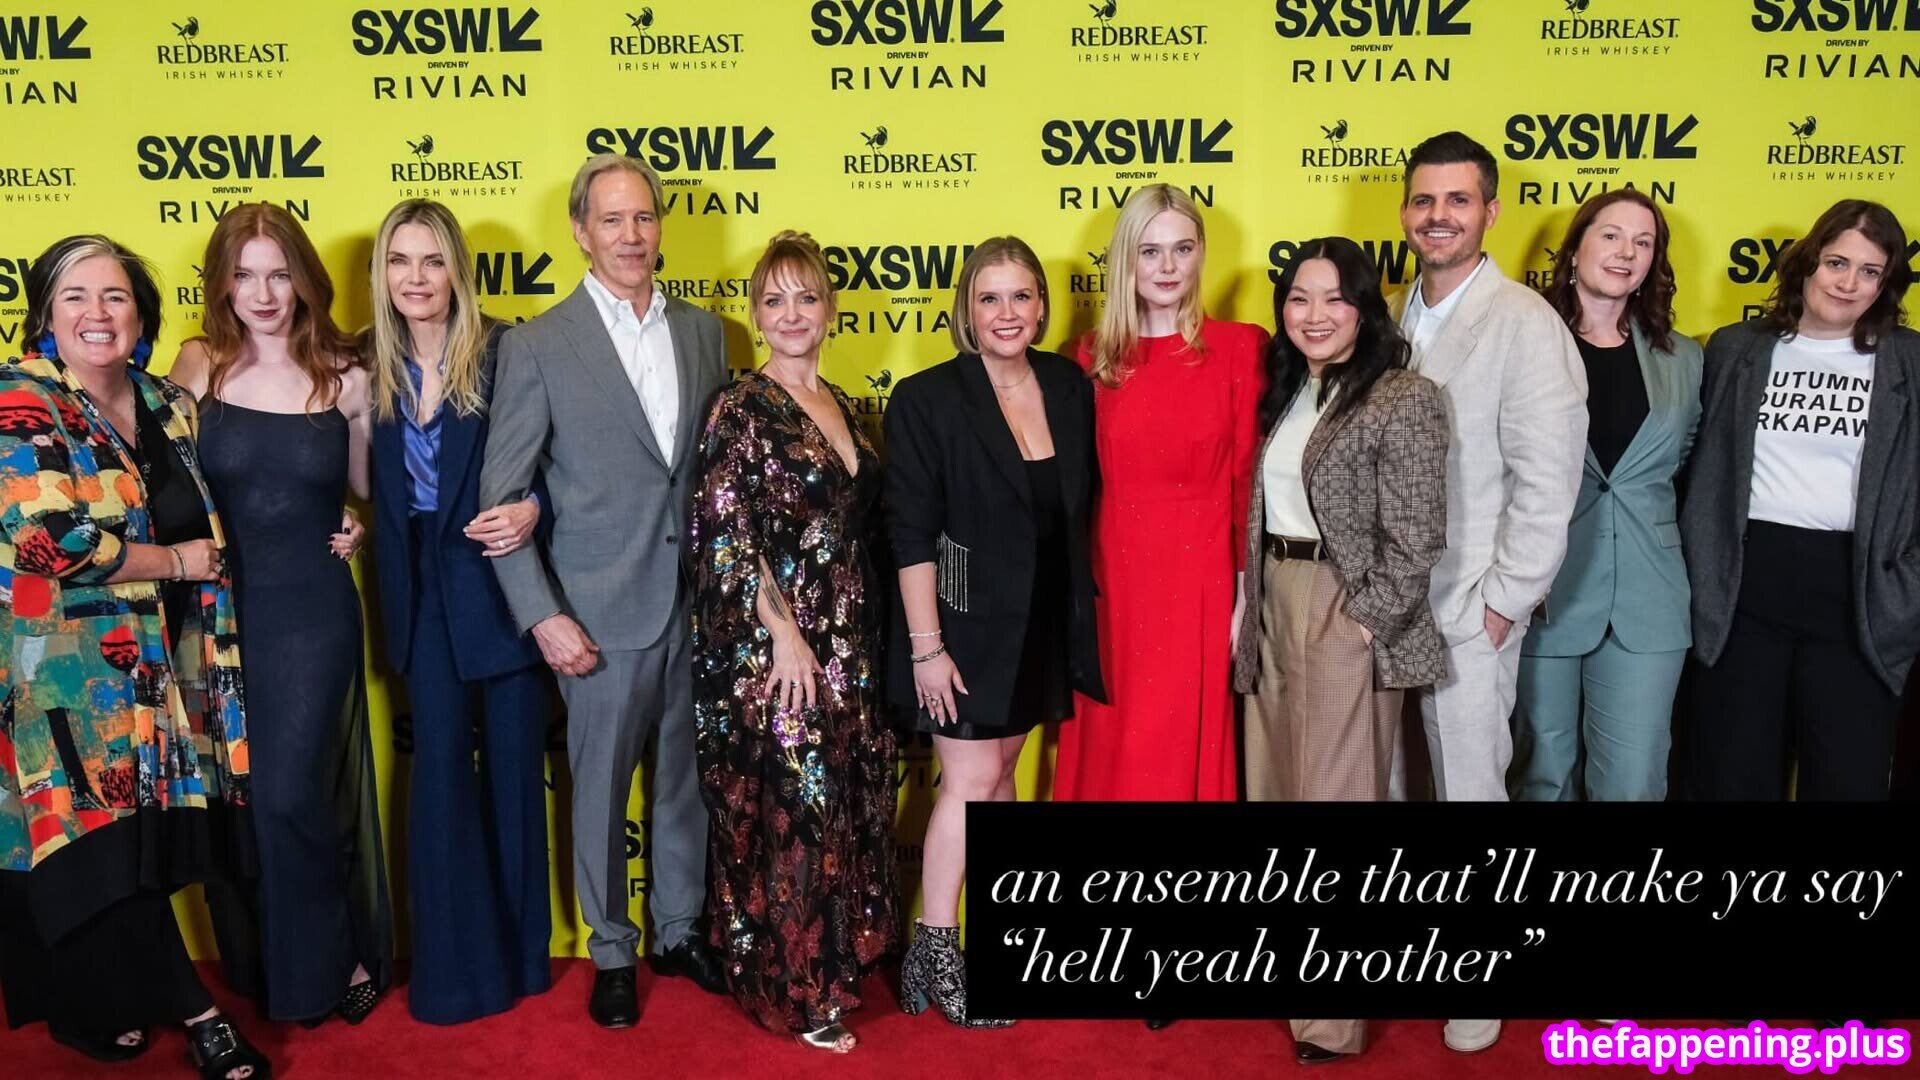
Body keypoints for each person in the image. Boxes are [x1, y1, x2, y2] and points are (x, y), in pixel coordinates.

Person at [0, 235, 271, 1080]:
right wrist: (176, 562)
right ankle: (199, 1014)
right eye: (75, 297)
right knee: (98, 840)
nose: (97, 314)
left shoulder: (168, 402)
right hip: (60, 670)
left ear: (140, 315)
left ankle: (90, 1006)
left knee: (134, 843)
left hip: (165, 668)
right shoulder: (20, 394)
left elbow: (219, 504)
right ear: (46, 315)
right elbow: (45, 538)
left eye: (115, 296)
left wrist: (326, 523)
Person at [480, 153, 731, 1029]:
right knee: (599, 791)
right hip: (595, 613)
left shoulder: (706, 332)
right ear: (581, 232)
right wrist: (543, 615)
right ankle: (612, 951)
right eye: (612, 220)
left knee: (685, 783)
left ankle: (678, 929)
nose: (631, 235)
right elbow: (501, 497)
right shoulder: (539, 344)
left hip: (696, 606)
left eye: (644, 217)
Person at [168, 202, 392, 1026]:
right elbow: (162, 483)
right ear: (223, 284)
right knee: (241, 797)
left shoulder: (345, 373)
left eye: (279, 274)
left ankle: (339, 959)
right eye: (245, 275)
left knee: (290, 792)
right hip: (217, 612)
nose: (263, 294)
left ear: (304, 280)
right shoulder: (198, 365)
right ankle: (271, 962)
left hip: (310, 610)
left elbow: (367, 488)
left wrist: (360, 525)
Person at [1230, 236, 1448, 1065]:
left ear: (1364, 309)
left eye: (1334, 299)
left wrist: (1364, 624)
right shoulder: (1289, 389)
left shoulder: (1403, 396)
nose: (1314, 315)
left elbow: (1417, 535)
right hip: (1272, 598)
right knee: (1276, 796)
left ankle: (1331, 1020)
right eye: (1298, 298)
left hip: (1340, 607)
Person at [1395, 131, 1587, 1054]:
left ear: (1491, 210)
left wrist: (1503, 604)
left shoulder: (1525, 323)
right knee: (1393, 789)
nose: (1439, 217)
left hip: (1469, 608)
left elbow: (1550, 484)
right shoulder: (1386, 317)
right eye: (1424, 200)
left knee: (1472, 801)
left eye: (1458, 200)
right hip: (1380, 609)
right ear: (1405, 212)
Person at [884, 237, 1103, 1030]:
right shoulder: (927, 398)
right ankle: (936, 953)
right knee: (972, 784)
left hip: (1039, 626)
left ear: (1041, 306)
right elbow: (910, 532)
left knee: (1002, 779)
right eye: (990, 298)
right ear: (966, 311)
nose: (1006, 313)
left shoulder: (1066, 385)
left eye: (1020, 297)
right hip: (960, 629)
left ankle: (979, 944)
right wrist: (927, 648)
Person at [690, 230, 899, 1053]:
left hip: (851, 642)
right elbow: (726, 535)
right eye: (773, 300)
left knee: (843, 799)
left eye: (805, 297)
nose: (790, 314)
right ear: (753, 315)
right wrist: (782, 636)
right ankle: (796, 991)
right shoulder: (740, 407)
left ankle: (838, 963)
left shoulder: (844, 404)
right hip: (778, 652)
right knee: (796, 808)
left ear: (830, 309)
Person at [364, 199, 552, 1023]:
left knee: (513, 775)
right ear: (383, 274)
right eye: (400, 261)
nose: (416, 278)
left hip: (503, 584)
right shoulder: (365, 364)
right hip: (418, 593)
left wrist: (535, 508)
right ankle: (450, 973)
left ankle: (522, 963)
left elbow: (562, 457)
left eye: (432, 260)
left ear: (457, 272)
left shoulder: (510, 351)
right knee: (439, 775)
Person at [1682, 199, 1920, 802]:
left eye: (1870, 271)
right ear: (1808, 262)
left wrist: (1909, 584)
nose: (1848, 283)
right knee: (1732, 778)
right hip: (1741, 594)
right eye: (1837, 262)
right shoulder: (1735, 348)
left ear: (1885, 284)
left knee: (1848, 780)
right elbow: (1698, 469)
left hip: (1861, 600)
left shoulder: (1910, 360)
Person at [1051, 183, 1267, 810]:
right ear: (1126, 259)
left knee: (1180, 743)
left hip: (1202, 582)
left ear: (1201, 254)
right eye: (1150, 251)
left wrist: (1246, 595)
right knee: (1114, 743)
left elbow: (1247, 483)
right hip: (1111, 582)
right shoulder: (1087, 357)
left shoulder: (1240, 348)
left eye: (1182, 248)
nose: (1167, 266)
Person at [1513, 190, 1703, 803]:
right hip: (1541, 593)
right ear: (1575, 249)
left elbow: (1683, 461)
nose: (1626, 252)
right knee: (1541, 773)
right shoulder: (1524, 342)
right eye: (1611, 235)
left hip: (1648, 600)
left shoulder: (1685, 359)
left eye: (1643, 243)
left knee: (1634, 779)